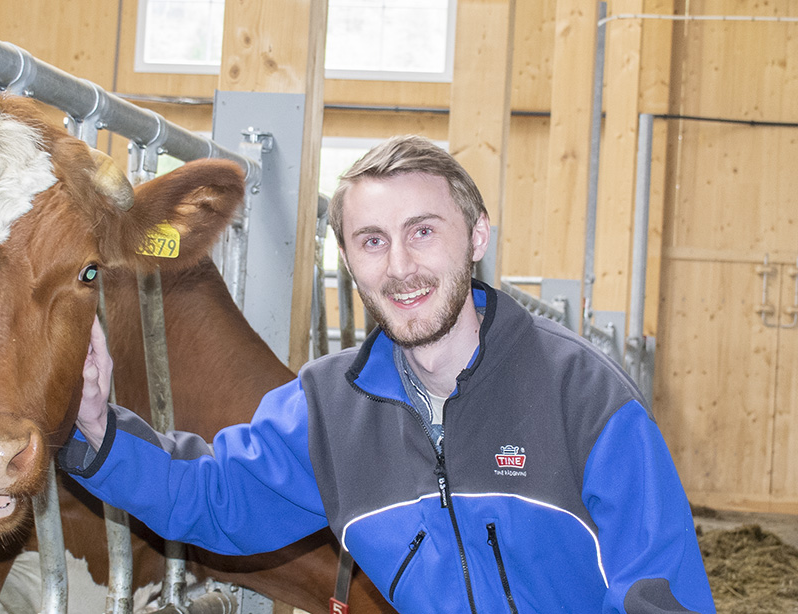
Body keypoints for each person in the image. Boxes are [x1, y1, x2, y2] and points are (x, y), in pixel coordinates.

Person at [58, 135, 715, 613]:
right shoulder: (329, 408)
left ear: (477, 237)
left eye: (423, 231)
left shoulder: (584, 396)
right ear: (348, 260)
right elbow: (215, 499)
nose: (400, 267)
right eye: (372, 241)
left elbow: (660, 594)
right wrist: (95, 431)